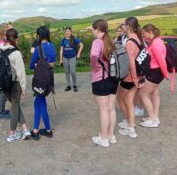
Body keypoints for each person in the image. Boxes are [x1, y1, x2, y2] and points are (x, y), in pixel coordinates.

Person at [0, 28, 31, 142]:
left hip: (3, 84)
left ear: (6, 38)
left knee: (15, 106)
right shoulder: (16, 53)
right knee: (15, 107)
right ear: (16, 39)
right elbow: (21, 73)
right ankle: (12, 134)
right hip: (14, 83)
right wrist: (24, 88)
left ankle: (25, 129)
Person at [90, 19, 118, 148]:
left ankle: (104, 138)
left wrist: (95, 67)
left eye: (92, 28)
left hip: (101, 79)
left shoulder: (97, 42)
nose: (92, 31)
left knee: (103, 110)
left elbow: (94, 55)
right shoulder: (109, 41)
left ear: (97, 29)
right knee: (111, 108)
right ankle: (111, 135)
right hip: (113, 78)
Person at [117, 17, 145, 139]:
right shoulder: (138, 39)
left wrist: (134, 79)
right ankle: (131, 126)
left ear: (128, 26)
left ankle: (130, 126)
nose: (122, 26)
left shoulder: (129, 42)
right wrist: (137, 79)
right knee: (129, 101)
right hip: (138, 75)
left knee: (121, 99)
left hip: (130, 77)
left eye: (123, 24)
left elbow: (131, 63)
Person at [139, 24, 169, 128]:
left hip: (154, 72)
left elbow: (161, 61)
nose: (143, 35)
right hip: (156, 72)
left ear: (150, 32)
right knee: (155, 94)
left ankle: (152, 119)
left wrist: (166, 74)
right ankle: (155, 118)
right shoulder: (156, 41)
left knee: (143, 94)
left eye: (144, 33)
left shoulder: (156, 43)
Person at [30, 26, 56, 140]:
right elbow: (52, 64)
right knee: (38, 103)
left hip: (40, 80)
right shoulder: (52, 46)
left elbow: (31, 65)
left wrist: (36, 64)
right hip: (49, 79)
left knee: (41, 105)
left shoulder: (38, 48)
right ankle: (37, 130)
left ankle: (45, 130)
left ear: (39, 36)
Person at [59, 27, 84, 92]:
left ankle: (74, 85)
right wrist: (61, 59)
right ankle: (68, 85)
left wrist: (78, 54)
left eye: (69, 31)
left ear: (71, 32)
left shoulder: (74, 39)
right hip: (65, 58)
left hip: (72, 57)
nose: (67, 32)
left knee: (72, 71)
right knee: (67, 72)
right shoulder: (63, 40)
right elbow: (61, 49)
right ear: (65, 32)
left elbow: (81, 45)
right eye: (66, 31)